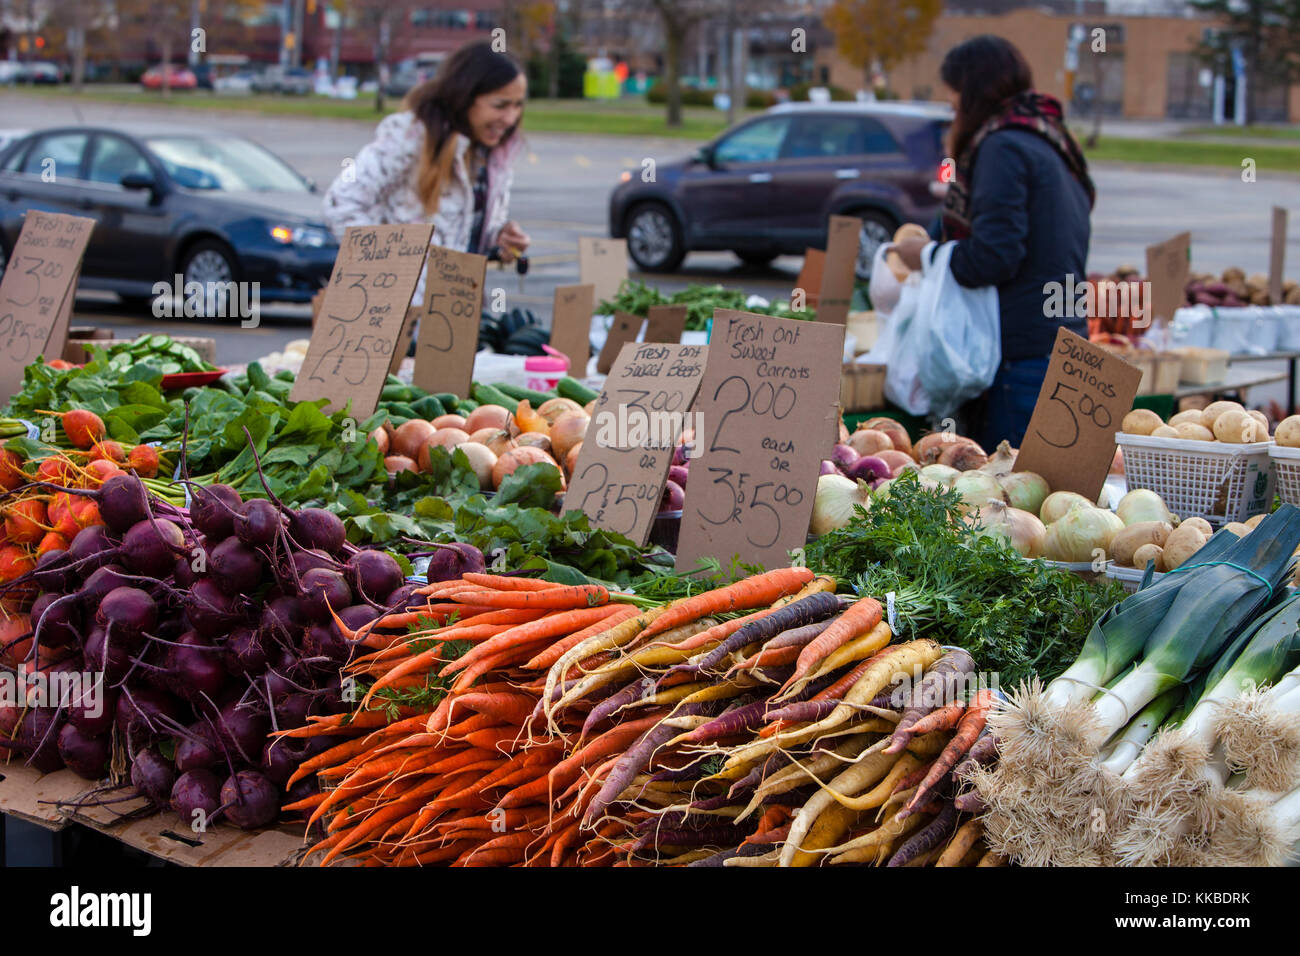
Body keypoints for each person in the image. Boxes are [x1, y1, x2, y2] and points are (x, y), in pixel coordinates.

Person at [894, 35, 1095, 448]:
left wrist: (927, 256)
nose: (952, 110)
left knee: (1006, 497)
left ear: (972, 92)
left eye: (954, 99)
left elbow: (993, 257)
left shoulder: (1001, 147)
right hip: (1066, 348)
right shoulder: (1049, 141)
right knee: (1048, 500)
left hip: (1023, 359)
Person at [323, 42, 530, 310]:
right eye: (500, 105)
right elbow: (340, 203)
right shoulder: (410, 135)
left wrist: (500, 239)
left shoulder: (493, 155)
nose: (510, 118)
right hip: (398, 318)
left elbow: (463, 232)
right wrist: (390, 279)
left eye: (517, 106)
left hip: (455, 314)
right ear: (465, 96)